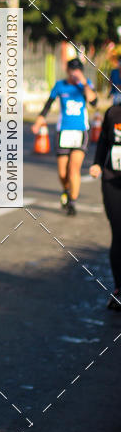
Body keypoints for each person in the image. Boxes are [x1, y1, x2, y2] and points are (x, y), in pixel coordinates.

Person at [32, 58, 97, 215]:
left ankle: (72, 203)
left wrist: (83, 83)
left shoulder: (85, 84)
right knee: (62, 172)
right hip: (63, 132)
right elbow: (48, 105)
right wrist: (38, 122)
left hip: (81, 131)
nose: (74, 73)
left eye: (77, 70)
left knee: (74, 168)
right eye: (72, 70)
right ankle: (67, 190)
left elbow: (94, 101)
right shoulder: (60, 86)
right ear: (67, 71)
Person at [89, 103, 121, 309]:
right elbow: (103, 141)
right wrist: (97, 163)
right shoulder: (114, 112)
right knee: (118, 233)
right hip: (112, 180)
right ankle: (119, 288)